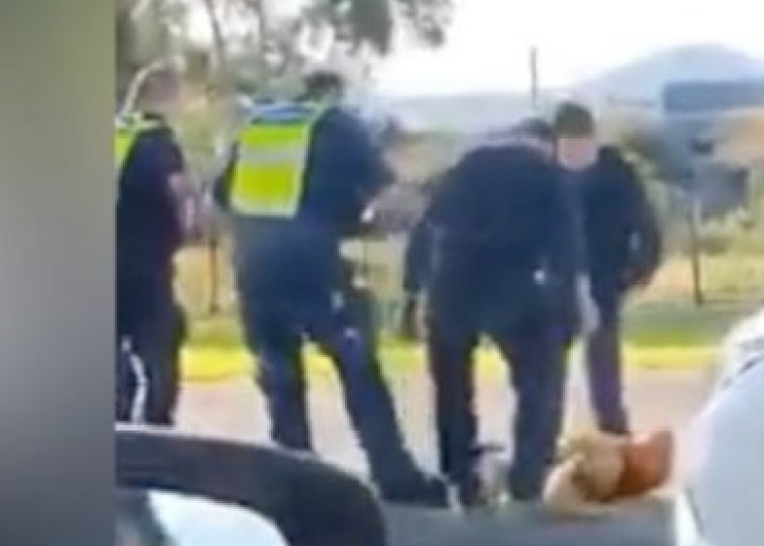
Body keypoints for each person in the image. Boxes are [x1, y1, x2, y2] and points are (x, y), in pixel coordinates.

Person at [212, 68, 446, 506]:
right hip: (310, 263)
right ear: (334, 94)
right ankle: (394, 475)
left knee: (279, 371)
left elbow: (224, 196)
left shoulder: (260, 126)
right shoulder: (337, 124)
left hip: (254, 265)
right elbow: (388, 192)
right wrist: (372, 227)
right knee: (357, 365)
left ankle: (292, 471)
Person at [400, 118, 597, 507]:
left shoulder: (460, 170)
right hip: (517, 284)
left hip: (452, 281)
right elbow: (566, 242)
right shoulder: (548, 174)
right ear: (545, 144)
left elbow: (425, 231)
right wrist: (576, 298)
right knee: (540, 383)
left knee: (452, 387)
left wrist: (412, 294)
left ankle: (460, 472)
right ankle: (528, 473)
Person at [551, 101, 662, 436]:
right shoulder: (545, 173)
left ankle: (613, 430)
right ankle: (544, 437)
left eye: (583, 143)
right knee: (548, 365)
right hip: (556, 278)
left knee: (603, 361)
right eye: (569, 145)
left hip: (604, 275)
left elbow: (644, 222)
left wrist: (640, 268)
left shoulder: (616, 172)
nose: (577, 153)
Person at [116, 63, 196, 426]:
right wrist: (192, 224)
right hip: (145, 264)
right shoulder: (157, 140)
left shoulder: (114, 134)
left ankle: (117, 427)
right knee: (161, 349)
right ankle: (158, 432)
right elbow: (178, 191)